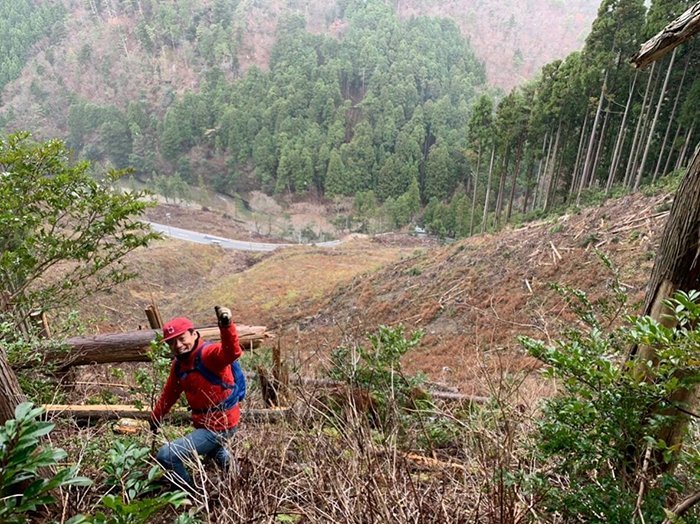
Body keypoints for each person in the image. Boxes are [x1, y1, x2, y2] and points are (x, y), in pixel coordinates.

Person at [149, 306, 243, 490]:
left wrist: (226, 325)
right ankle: (237, 479)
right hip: (205, 423)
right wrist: (155, 417)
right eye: (171, 343)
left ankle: (188, 494)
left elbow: (231, 353)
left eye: (181, 339)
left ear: (194, 334)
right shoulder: (179, 365)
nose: (177, 345)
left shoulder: (209, 355)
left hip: (220, 424)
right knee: (216, 451)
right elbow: (170, 393)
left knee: (167, 455)